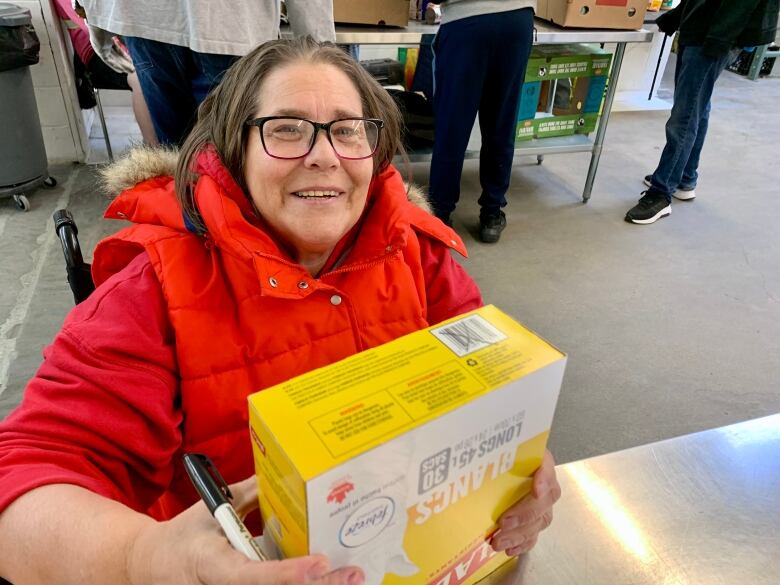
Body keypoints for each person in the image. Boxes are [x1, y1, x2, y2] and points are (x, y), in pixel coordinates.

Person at [0, 38, 560, 584]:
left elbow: (489, 390)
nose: (323, 155)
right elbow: (25, 481)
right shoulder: (154, 290)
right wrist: (143, 559)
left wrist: (522, 469)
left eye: (347, 130)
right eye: (286, 129)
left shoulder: (417, 251)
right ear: (231, 149)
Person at [79, 0, 336, 146]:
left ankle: (196, 232)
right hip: (230, 22)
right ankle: (213, 236)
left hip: (145, 18)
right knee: (236, 156)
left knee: (180, 152)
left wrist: (96, 20)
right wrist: (318, 52)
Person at [625, 0, 779, 224]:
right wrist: (676, 17)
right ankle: (685, 179)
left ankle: (661, 194)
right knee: (697, 106)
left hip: (716, 36)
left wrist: (720, 38)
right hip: (698, 30)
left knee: (684, 117)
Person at [427, 0, 536, 243]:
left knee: (452, 126)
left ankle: (440, 215)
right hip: (516, 19)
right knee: (501, 122)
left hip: (466, 20)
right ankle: (491, 213)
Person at [52, 0, 157, 145]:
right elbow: (92, 24)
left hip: (126, 44)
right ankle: (154, 151)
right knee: (142, 78)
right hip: (96, 56)